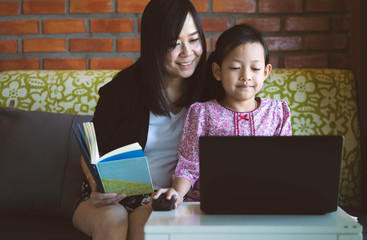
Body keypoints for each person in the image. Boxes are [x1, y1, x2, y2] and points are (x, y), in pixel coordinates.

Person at [72, 0, 207, 239]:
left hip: (166, 198)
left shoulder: (209, 88)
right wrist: (96, 187)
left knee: (151, 224)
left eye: (194, 39)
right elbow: (91, 148)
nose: (188, 52)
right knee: (113, 220)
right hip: (113, 196)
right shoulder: (124, 88)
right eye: (174, 44)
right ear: (154, 45)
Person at [152, 24, 292, 208]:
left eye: (255, 69)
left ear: (266, 72)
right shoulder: (202, 113)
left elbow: (285, 165)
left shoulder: (277, 112)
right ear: (218, 71)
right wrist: (177, 193)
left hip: (262, 202)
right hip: (208, 204)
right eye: (235, 67)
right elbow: (189, 165)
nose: (246, 76)